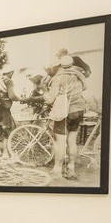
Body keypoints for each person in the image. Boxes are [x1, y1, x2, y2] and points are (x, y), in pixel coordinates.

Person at [44, 50, 89, 180]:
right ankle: (71, 168)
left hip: (64, 111)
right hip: (78, 109)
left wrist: (45, 94)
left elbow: (51, 99)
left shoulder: (58, 77)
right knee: (72, 141)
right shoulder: (79, 75)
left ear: (60, 66)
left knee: (60, 142)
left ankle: (57, 169)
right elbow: (85, 88)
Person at [0, 68, 16, 160]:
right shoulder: (8, 81)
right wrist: (20, 99)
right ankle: (5, 153)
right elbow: (12, 96)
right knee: (6, 131)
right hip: (4, 109)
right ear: (9, 73)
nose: (12, 74)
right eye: (12, 72)